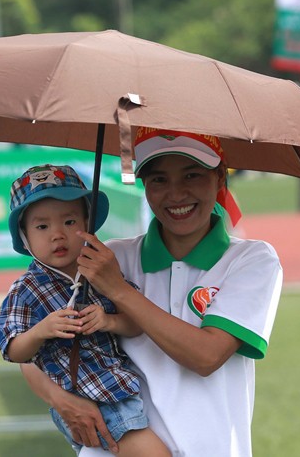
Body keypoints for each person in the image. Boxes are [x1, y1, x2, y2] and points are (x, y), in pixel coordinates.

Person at [20, 128, 283, 456]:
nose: (176, 194)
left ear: (219, 179)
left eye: (192, 175)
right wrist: (61, 400)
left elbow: (206, 356)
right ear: (144, 186)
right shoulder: (107, 257)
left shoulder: (251, 260)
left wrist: (119, 290)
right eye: (159, 180)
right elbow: (32, 345)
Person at [0, 164, 170, 456]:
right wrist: (42, 330)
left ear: (87, 223)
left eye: (69, 222)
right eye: (42, 226)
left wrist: (109, 321)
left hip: (119, 388)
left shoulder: (99, 271)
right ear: (24, 237)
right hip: (93, 399)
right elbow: (13, 350)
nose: (57, 235)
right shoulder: (26, 290)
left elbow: (137, 323)